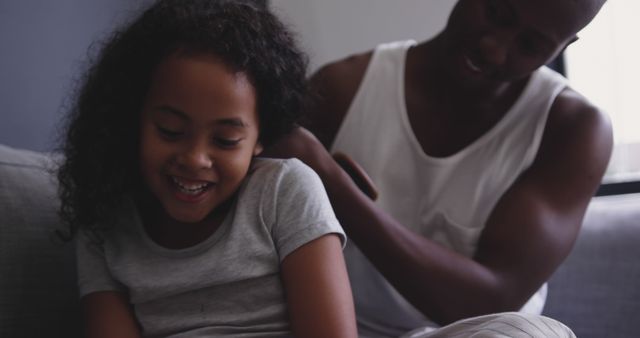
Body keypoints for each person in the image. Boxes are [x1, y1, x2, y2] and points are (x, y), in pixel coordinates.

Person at [265, 0, 612, 336]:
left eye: (530, 45)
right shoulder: (343, 88)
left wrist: (333, 182)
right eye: (495, 12)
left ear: (565, 45)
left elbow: (492, 300)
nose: (495, 48)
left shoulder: (573, 128)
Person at [56, 1, 357, 337]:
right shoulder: (104, 220)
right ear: (133, 119)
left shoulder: (284, 192)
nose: (195, 158)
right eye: (170, 131)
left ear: (261, 137)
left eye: (226, 140)